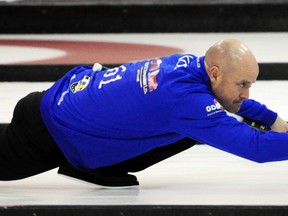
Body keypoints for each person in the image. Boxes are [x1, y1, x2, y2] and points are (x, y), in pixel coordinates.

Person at [1, 39, 288, 188]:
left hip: (60, 105)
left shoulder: (187, 65)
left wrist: (272, 119)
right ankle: (95, 165)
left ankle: (101, 166)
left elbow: (228, 102)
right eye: (243, 84)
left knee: (196, 127)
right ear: (214, 73)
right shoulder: (188, 102)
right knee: (202, 124)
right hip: (46, 132)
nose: (246, 93)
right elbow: (256, 147)